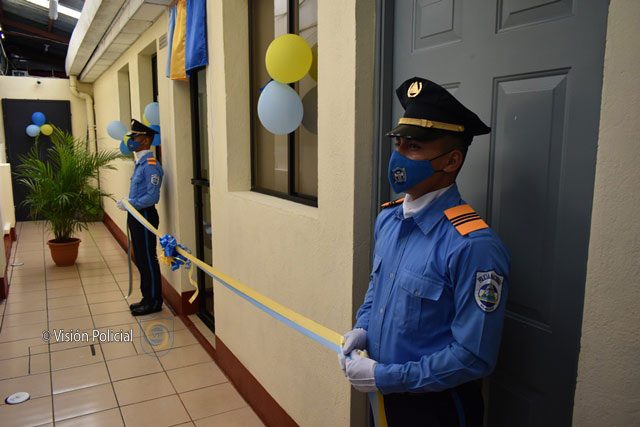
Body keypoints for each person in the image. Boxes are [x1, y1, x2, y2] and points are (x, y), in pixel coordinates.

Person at [340, 77, 510, 426]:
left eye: (414, 147)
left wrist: (386, 377)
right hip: (382, 396)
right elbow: (377, 289)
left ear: (451, 160)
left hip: (436, 408)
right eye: (398, 143)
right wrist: (362, 328)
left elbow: (473, 356)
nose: (398, 156)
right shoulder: (389, 219)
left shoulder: (473, 246)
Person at [116, 119, 164, 316]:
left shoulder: (151, 165)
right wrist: (130, 204)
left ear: (145, 140)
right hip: (136, 215)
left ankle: (154, 302)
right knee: (141, 259)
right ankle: (147, 298)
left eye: (135, 137)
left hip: (145, 216)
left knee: (148, 259)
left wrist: (130, 204)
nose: (131, 140)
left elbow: (152, 197)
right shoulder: (140, 163)